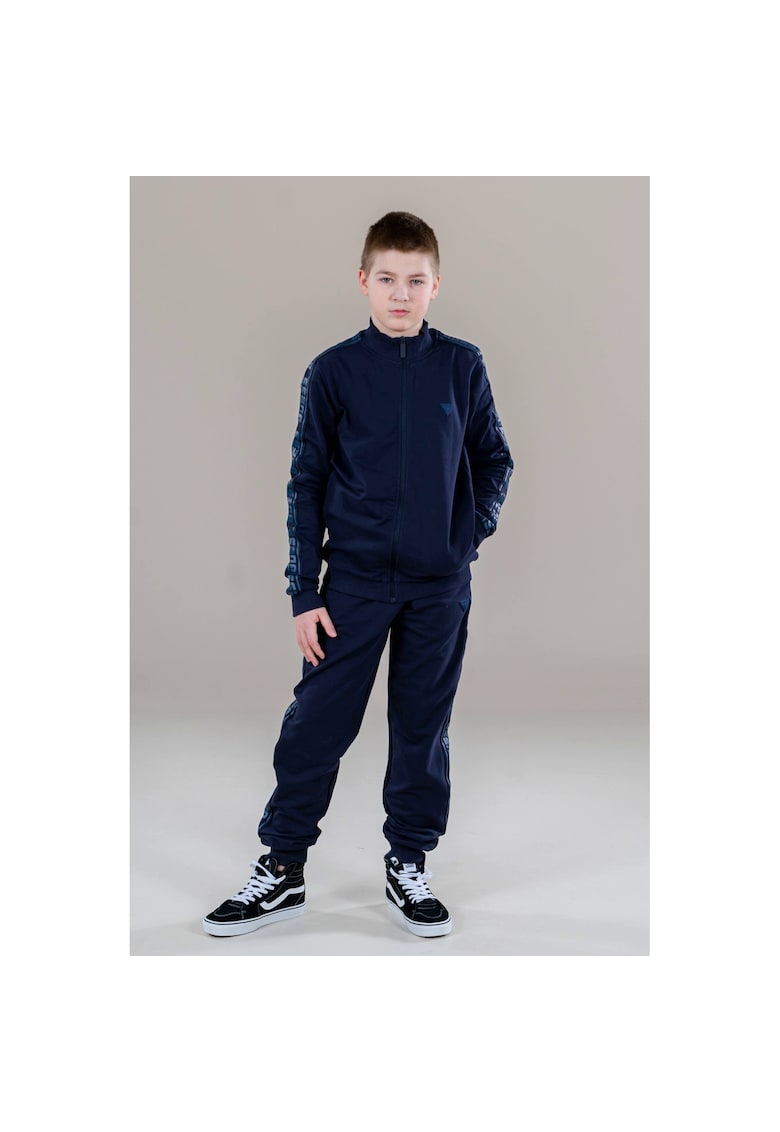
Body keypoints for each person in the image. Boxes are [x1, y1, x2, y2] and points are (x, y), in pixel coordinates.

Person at [203, 211, 513, 939]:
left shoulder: (462, 366)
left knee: (422, 730)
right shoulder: (333, 371)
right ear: (364, 281)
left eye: (415, 281)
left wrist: (464, 536)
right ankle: (283, 867)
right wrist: (303, 592)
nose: (401, 294)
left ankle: (408, 863)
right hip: (352, 585)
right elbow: (305, 483)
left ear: (436, 285)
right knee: (315, 726)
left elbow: (494, 458)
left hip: (438, 588)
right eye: (387, 279)